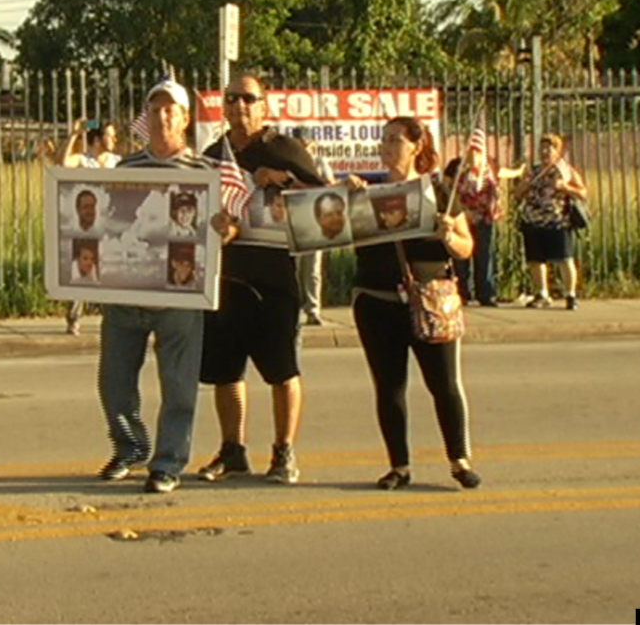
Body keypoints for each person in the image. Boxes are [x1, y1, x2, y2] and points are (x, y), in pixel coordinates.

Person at [199, 74, 325, 486]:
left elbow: (323, 202)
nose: (239, 105)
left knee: (282, 369)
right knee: (225, 371)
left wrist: (282, 179)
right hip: (227, 274)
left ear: (263, 105)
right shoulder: (213, 154)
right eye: (232, 98)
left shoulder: (285, 148)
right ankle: (232, 450)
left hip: (274, 275)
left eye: (248, 98)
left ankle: (283, 451)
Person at [97, 79, 222, 494]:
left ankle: (168, 463)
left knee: (179, 387)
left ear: (185, 119)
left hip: (179, 296)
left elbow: (224, 226)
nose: (162, 117)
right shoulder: (126, 169)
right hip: (127, 292)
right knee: (114, 383)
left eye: (171, 110)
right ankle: (130, 447)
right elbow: (110, 224)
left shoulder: (205, 172)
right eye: (155, 110)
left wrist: (226, 227)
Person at [346, 116, 481, 491]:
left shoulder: (438, 191)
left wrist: (448, 235)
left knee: (444, 384)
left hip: (430, 299)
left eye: (395, 140)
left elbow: (466, 247)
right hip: (377, 301)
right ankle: (399, 466)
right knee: (389, 386)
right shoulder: (368, 191)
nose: (387, 147)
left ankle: (459, 460)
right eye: (384, 140)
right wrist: (349, 197)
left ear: (416, 146)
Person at [513, 133, 588, 310]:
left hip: (557, 221)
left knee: (564, 259)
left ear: (557, 151)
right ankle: (542, 294)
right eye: (542, 148)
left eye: (549, 148)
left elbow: (583, 193)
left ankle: (570, 295)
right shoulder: (534, 171)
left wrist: (565, 187)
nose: (545, 152)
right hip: (533, 220)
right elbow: (517, 194)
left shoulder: (565, 171)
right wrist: (525, 184)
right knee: (536, 260)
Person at [59, 122, 119, 336]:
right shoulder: (84, 161)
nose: (114, 140)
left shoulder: (116, 162)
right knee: (82, 269)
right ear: (97, 139)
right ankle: (74, 318)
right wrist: (74, 135)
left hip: (108, 223)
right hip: (86, 224)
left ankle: (112, 318)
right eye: (110, 135)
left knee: (111, 271)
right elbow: (63, 162)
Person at [292, 127, 336, 326]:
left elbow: (330, 185)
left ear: (313, 145)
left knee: (312, 269)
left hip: (316, 221)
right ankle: (293, 308)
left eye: (306, 145)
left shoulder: (319, 162)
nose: (303, 149)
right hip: (294, 219)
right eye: (299, 145)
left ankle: (313, 309)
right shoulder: (289, 163)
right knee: (293, 268)